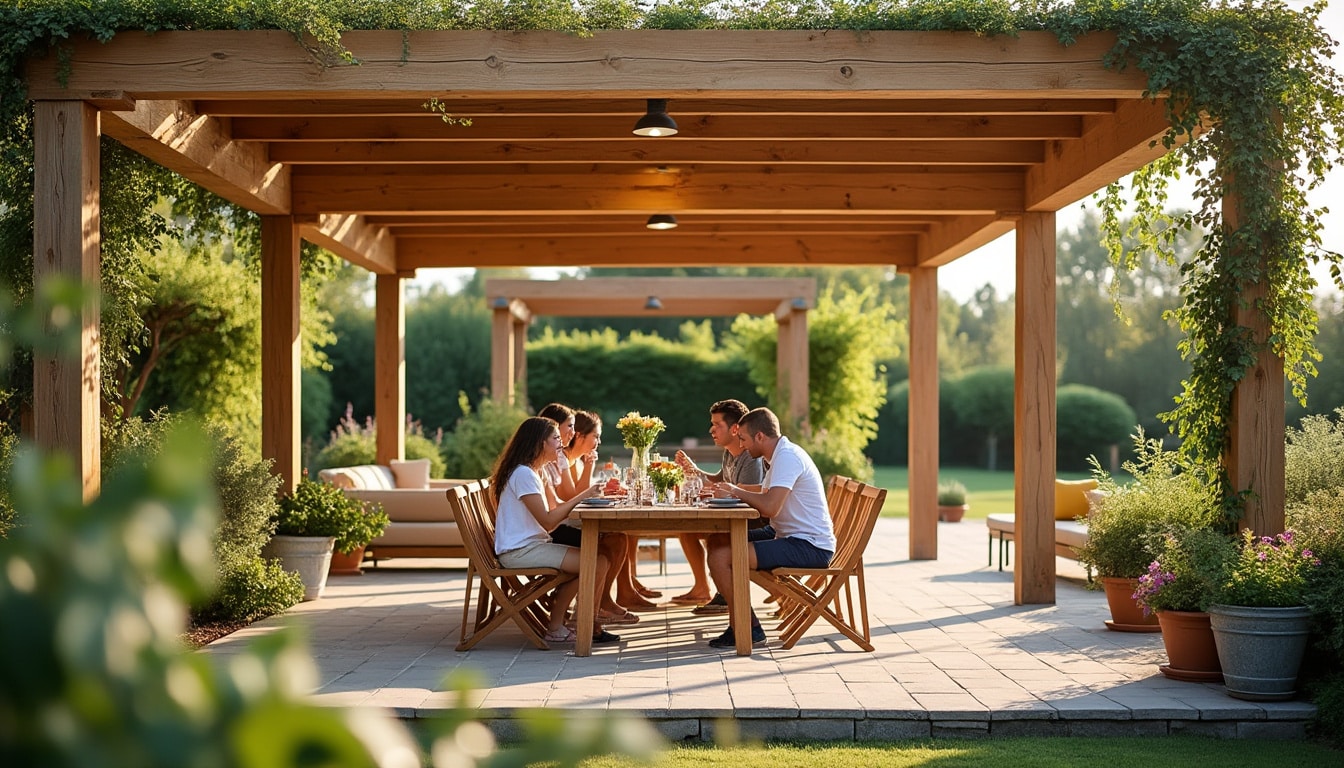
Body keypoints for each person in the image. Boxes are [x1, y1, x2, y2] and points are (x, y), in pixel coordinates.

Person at [703, 407, 835, 649]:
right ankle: (741, 622)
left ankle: (746, 627)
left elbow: (770, 507)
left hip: (808, 546)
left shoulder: (787, 458)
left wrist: (735, 491)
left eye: (744, 439)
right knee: (717, 539)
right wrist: (730, 488)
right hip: (787, 535)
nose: (742, 445)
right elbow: (764, 491)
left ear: (760, 436)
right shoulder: (779, 455)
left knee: (721, 556)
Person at [491, 416, 620, 645]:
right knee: (596, 562)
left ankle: (562, 622)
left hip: (530, 546)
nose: (561, 444)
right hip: (520, 552)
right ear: (541, 443)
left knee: (596, 559)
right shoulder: (524, 474)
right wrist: (583, 496)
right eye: (556, 439)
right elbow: (548, 521)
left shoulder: (533, 471)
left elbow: (552, 511)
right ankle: (569, 624)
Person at [549, 410, 642, 624]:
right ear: (580, 436)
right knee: (613, 540)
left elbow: (580, 494)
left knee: (618, 537)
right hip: (556, 529)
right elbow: (572, 497)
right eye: (596, 436)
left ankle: (604, 600)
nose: (598, 442)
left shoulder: (576, 460)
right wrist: (591, 470)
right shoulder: (562, 458)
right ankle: (597, 604)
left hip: (564, 522)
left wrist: (602, 487)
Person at [671, 399, 764, 614]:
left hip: (753, 524)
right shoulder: (729, 452)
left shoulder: (750, 457)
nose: (711, 429)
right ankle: (702, 588)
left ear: (735, 429)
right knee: (687, 529)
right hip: (733, 518)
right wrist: (694, 470)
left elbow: (748, 498)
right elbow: (719, 481)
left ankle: (725, 595)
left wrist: (713, 488)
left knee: (716, 538)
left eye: (716, 424)